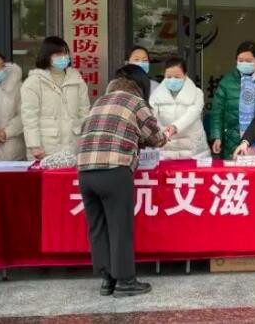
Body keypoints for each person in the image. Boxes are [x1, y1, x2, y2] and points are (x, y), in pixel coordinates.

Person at [77, 64, 167, 298]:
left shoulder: (100, 101)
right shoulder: (135, 102)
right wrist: (166, 134)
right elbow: (155, 137)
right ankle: (126, 281)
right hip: (114, 170)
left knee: (98, 226)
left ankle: (107, 279)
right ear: (141, 85)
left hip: (85, 170)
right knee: (120, 227)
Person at [20, 36, 90, 160]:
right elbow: (29, 117)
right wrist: (34, 146)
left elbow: (84, 112)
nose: (63, 57)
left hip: (73, 147)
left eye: (65, 53)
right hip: (45, 149)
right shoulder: (33, 82)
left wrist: (86, 141)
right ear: (47, 56)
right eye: (58, 54)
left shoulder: (77, 79)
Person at [209, 41, 255, 159]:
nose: (244, 63)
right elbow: (217, 112)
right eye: (240, 60)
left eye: (248, 60)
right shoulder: (227, 82)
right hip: (233, 139)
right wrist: (217, 137)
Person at [149, 56, 209, 159]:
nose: (172, 80)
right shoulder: (156, 95)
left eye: (177, 77)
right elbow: (152, 117)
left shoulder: (197, 93)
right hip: (167, 149)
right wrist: (160, 134)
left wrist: (175, 127)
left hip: (193, 150)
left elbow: (192, 114)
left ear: (185, 75)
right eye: (169, 77)